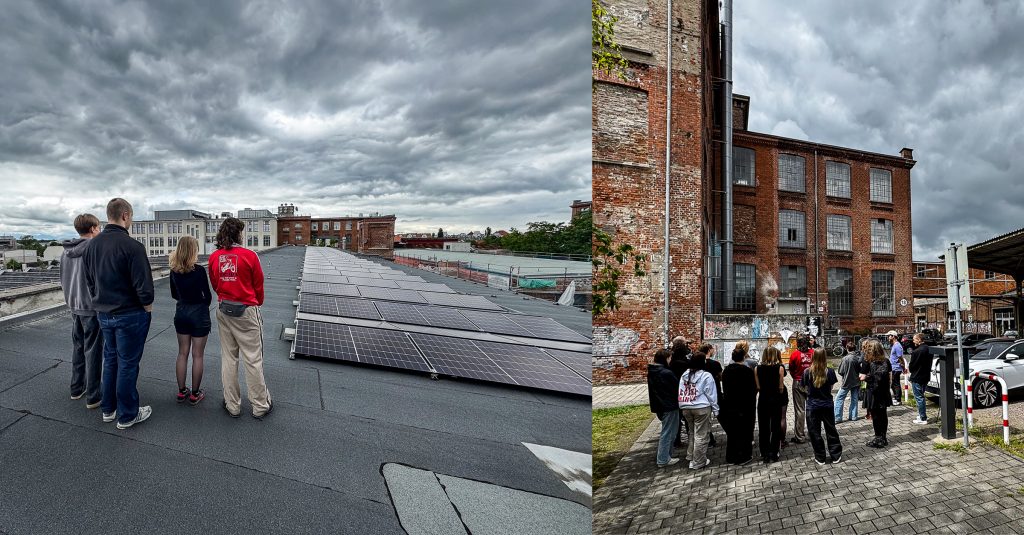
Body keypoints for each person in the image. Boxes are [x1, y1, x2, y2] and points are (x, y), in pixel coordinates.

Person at [82, 198, 154, 429]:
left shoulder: (91, 246)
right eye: (131, 217)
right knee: (128, 363)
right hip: (130, 314)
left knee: (110, 360)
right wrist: (147, 307)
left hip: (104, 314)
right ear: (125, 215)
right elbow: (144, 288)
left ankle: (108, 409)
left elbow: (90, 282)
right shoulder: (132, 246)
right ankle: (127, 414)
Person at [209, 217, 273, 419]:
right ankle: (260, 405)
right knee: (253, 359)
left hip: (224, 310)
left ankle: (232, 404)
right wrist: (256, 302)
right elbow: (259, 286)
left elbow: (215, 284)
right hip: (246, 312)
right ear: (238, 234)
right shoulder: (250, 256)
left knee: (229, 358)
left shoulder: (214, 257)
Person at [60, 214, 104, 409]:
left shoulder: (65, 251)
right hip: (91, 307)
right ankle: (94, 396)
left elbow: (62, 278)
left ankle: (77, 388)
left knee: (78, 348)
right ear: (93, 228)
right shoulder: (94, 248)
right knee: (93, 352)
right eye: (99, 227)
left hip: (74, 306)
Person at [169, 236, 212, 405]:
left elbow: (174, 294)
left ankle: (181, 392)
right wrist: (202, 306)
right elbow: (207, 296)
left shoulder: (174, 270)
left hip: (181, 312)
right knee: (198, 355)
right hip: (198, 314)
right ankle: (195, 394)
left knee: (182, 353)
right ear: (193, 250)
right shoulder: (199, 271)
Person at [802, 348, 843, 464]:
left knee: (814, 432)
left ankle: (820, 457)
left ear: (813, 357)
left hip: (812, 406)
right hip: (827, 404)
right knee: (831, 430)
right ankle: (835, 455)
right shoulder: (829, 371)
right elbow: (830, 388)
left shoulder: (807, 372)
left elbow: (804, 388)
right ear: (825, 357)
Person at [679, 352, 718, 469]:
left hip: (686, 407)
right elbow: (711, 394)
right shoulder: (706, 375)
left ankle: (691, 456)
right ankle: (698, 461)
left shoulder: (685, 375)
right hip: (701, 407)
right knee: (701, 435)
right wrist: (716, 409)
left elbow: (680, 390)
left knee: (692, 432)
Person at [721, 345, 756, 465]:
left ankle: (731, 456)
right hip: (745, 405)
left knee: (732, 432)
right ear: (743, 358)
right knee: (744, 431)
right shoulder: (747, 371)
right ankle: (743, 456)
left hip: (730, 404)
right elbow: (752, 389)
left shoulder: (726, 371)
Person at [648, 349, 681, 467]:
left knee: (668, 431)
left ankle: (666, 456)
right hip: (669, 406)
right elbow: (676, 388)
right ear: (666, 358)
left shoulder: (652, 371)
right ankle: (663, 459)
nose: (671, 360)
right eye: (670, 358)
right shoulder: (666, 373)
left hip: (659, 406)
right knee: (668, 433)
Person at [755, 346, 786, 463]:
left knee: (763, 427)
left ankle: (765, 452)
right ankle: (774, 452)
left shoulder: (757, 369)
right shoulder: (780, 368)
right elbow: (781, 387)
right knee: (775, 426)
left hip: (763, 400)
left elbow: (758, 387)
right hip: (775, 399)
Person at [860, 339, 893, 447]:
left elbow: (862, 377)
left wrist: (867, 378)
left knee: (875, 415)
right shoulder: (886, 361)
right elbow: (889, 377)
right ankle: (883, 438)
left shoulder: (867, 361)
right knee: (883, 414)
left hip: (872, 392)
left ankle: (878, 438)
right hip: (884, 391)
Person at [787, 337, 812, 444]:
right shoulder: (813, 353)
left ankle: (800, 437)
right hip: (811, 383)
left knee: (799, 410)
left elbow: (791, 369)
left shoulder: (794, 354)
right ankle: (813, 434)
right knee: (811, 409)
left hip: (798, 382)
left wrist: (796, 377)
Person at [697, 343, 723, 447]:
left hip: (701, 395)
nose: (714, 351)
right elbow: (721, 377)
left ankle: (710, 439)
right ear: (709, 350)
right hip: (715, 392)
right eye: (712, 349)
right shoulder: (715, 364)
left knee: (704, 420)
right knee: (722, 415)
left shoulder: (697, 364)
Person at [669, 336, 692, 448]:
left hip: (675, 389)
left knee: (677, 417)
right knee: (687, 415)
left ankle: (676, 440)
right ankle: (690, 437)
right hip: (684, 389)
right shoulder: (684, 356)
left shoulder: (672, 355)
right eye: (686, 343)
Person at [908, 333, 934, 424]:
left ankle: (923, 417)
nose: (913, 341)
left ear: (919, 340)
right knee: (921, 396)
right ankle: (921, 414)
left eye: (914, 339)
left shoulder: (916, 352)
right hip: (925, 376)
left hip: (917, 377)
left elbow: (911, 368)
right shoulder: (928, 349)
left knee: (919, 398)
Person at [835, 341, 861, 423]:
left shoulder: (845, 358)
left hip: (846, 382)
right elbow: (861, 370)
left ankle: (838, 417)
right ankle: (853, 416)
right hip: (856, 381)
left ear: (847, 348)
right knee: (854, 399)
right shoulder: (858, 358)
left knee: (839, 399)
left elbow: (840, 371)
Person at [887, 330, 906, 405]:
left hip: (896, 368)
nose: (888, 337)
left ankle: (898, 400)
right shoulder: (894, 345)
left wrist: (903, 367)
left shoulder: (897, 346)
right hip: (893, 367)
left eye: (889, 336)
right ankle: (896, 398)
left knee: (896, 384)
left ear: (893, 336)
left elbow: (900, 358)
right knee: (893, 384)